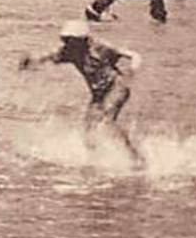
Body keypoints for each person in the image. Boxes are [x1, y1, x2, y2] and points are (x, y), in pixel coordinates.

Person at [20, 20, 144, 165]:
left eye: (70, 40)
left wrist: (132, 71)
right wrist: (30, 61)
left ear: (82, 40)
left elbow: (135, 55)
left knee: (107, 121)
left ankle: (135, 158)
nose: (67, 44)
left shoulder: (100, 47)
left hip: (117, 87)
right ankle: (95, 159)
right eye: (65, 40)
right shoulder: (69, 52)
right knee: (88, 129)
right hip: (99, 94)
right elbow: (46, 57)